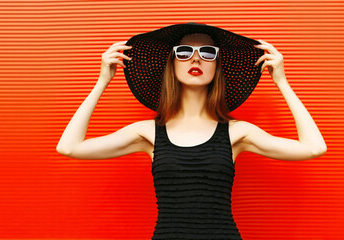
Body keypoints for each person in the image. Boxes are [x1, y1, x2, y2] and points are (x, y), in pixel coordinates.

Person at [56, 22, 327, 239]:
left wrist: (281, 81)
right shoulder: (147, 133)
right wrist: (103, 80)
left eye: (208, 53)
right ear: (172, 64)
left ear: (217, 66)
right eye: (184, 52)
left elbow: (314, 148)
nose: (195, 59)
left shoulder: (238, 133)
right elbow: (69, 147)